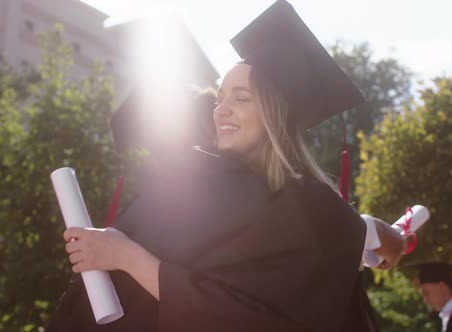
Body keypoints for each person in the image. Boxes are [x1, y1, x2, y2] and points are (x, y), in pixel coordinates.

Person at [45, 1, 405, 331]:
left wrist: (127, 256)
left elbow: (243, 318)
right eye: (220, 97)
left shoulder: (314, 212)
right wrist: (105, 251)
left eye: (241, 97)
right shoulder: (195, 183)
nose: (221, 109)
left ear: (275, 113)